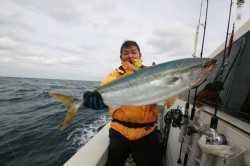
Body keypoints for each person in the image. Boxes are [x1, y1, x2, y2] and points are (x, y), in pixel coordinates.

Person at [83, 40, 162, 166]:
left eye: (133, 52)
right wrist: (96, 100)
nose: (130, 56)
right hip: (118, 131)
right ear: (121, 57)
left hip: (146, 132)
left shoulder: (152, 73)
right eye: (126, 53)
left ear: (140, 55)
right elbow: (103, 92)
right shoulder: (113, 76)